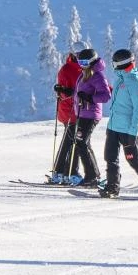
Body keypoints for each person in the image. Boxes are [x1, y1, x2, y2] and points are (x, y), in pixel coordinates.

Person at [100, 48, 138, 199]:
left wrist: (133, 133)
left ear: (121, 63)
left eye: (114, 63)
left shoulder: (135, 82)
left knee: (133, 159)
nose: (113, 66)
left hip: (127, 130)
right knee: (110, 158)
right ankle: (112, 187)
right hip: (113, 127)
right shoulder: (119, 79)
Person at [70, 48, 110, 189]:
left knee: (81, 143)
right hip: (82, 113)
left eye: (85, 62)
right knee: (83, 143)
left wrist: (90, 98)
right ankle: (93, 175)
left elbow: (106, 96)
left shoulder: (97, 76)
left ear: (92, 61)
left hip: (91, 114)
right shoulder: (84, 74)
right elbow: (80, 92)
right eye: (80, 62)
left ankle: (91, 177)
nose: (82, 65)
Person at [48, 48, 88, 184]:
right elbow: (63, 92)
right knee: (72, 141)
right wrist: (66, 91)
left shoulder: (83, 69)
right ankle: (66, 173)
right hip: (70, 111)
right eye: (79, 54)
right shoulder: (66, 69)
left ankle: (62, 172)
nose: (81, 57)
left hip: (78, 110)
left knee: (70, 141)